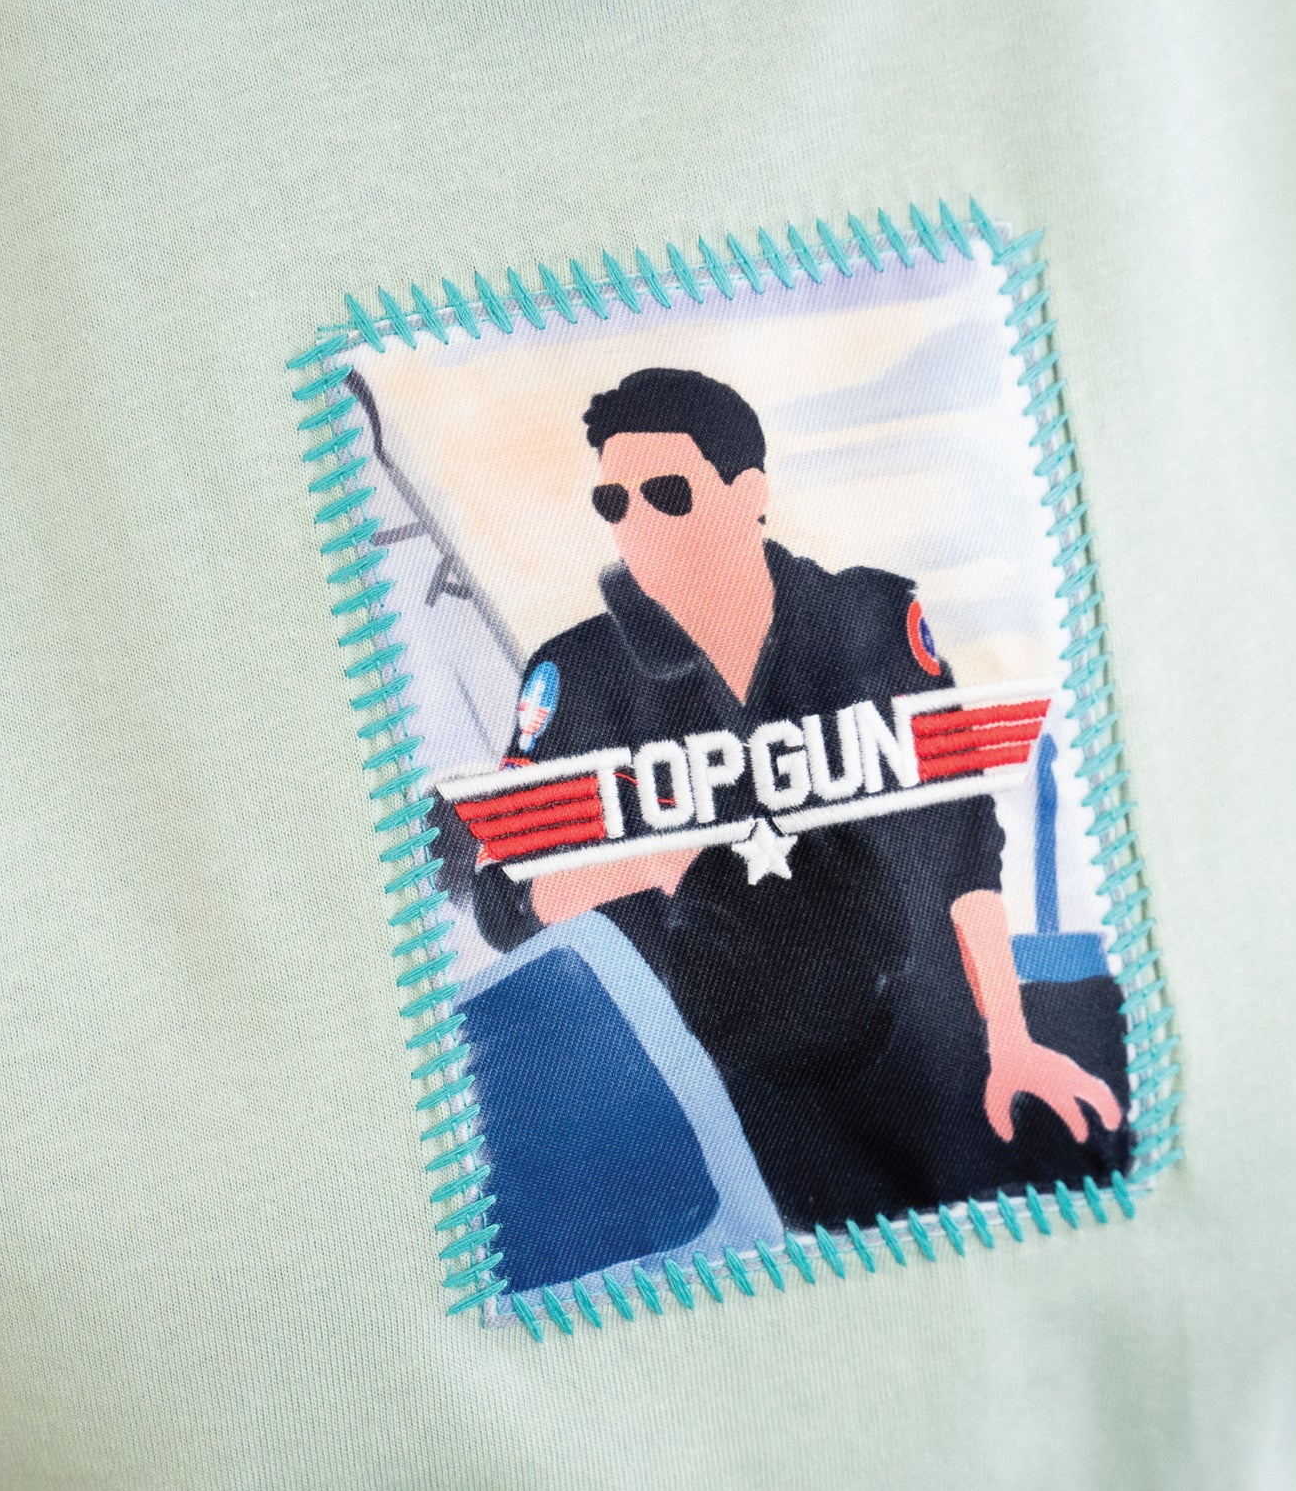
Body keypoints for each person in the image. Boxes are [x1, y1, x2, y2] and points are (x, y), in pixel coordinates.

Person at [471, 367, 1128, 1223]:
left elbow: (963, 840)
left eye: (668, 493)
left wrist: (1009, 1036)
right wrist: (656, 862)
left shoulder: (872, 619)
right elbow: (503, 898)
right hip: (741, 1114)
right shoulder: (578, 677)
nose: (637, 525)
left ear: (750, 492)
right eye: (613, 502)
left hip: (926, 1058)